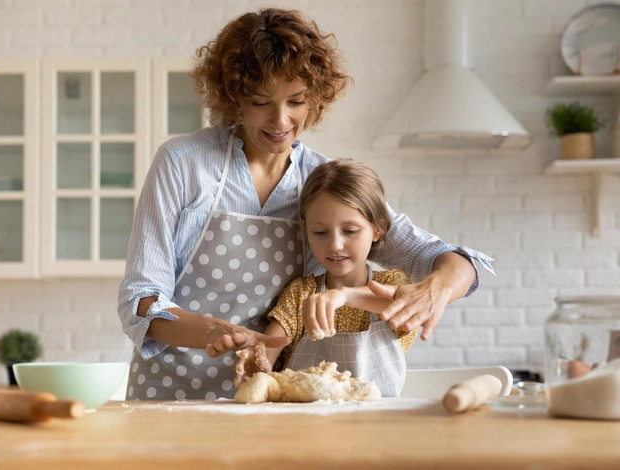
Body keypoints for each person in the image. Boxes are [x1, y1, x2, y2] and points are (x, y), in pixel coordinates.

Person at [117, 7, 494, 401]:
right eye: (262, 102)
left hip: (273, 397)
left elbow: (450, 259)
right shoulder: (183, 163)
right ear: (234, 98)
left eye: (296, 101)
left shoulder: (322, 183)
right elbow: (140, 300)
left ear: (315, 97)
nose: (281, 121)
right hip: (171, 391)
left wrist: (435, 288)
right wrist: (218, 332)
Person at [233, 159, 419, 397]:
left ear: (378, 228)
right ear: (305, 228)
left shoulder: (393, 285)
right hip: (307, 429)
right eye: (320, 232)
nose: (335, 245)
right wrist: (256, 363)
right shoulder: (301, 294)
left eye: (350, 231)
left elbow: (405, 306)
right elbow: (267, 353)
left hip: (376, 428)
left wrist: (344, 296)